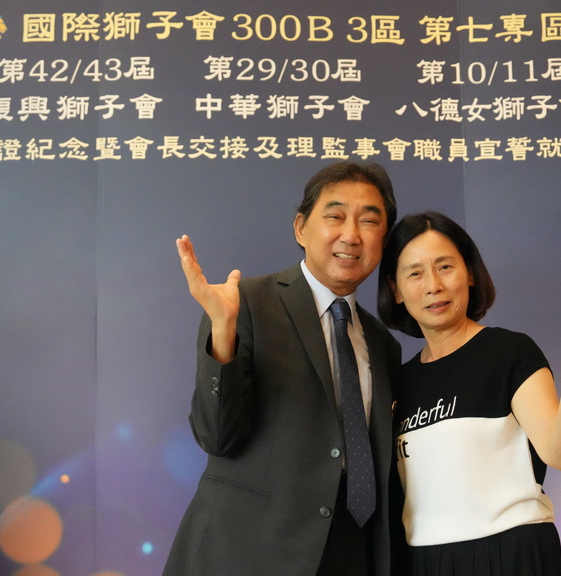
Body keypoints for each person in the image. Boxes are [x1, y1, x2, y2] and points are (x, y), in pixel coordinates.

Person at [377, 211, 561, 576]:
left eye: (445, 267)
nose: (433, 285)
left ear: (470, 273)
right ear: (396, 290)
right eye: (415, 273)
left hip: (510, 553)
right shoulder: (398, 381)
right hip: (425, 562)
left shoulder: (509, 352)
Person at [163, 161, 403, 576]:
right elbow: (217, 437)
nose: (351, 235)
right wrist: (223, 331)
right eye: (335, 216)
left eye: (369, 221)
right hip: (245, 552)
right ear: (301, 228)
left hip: (347, 553)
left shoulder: (383, 344)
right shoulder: (245, 303)